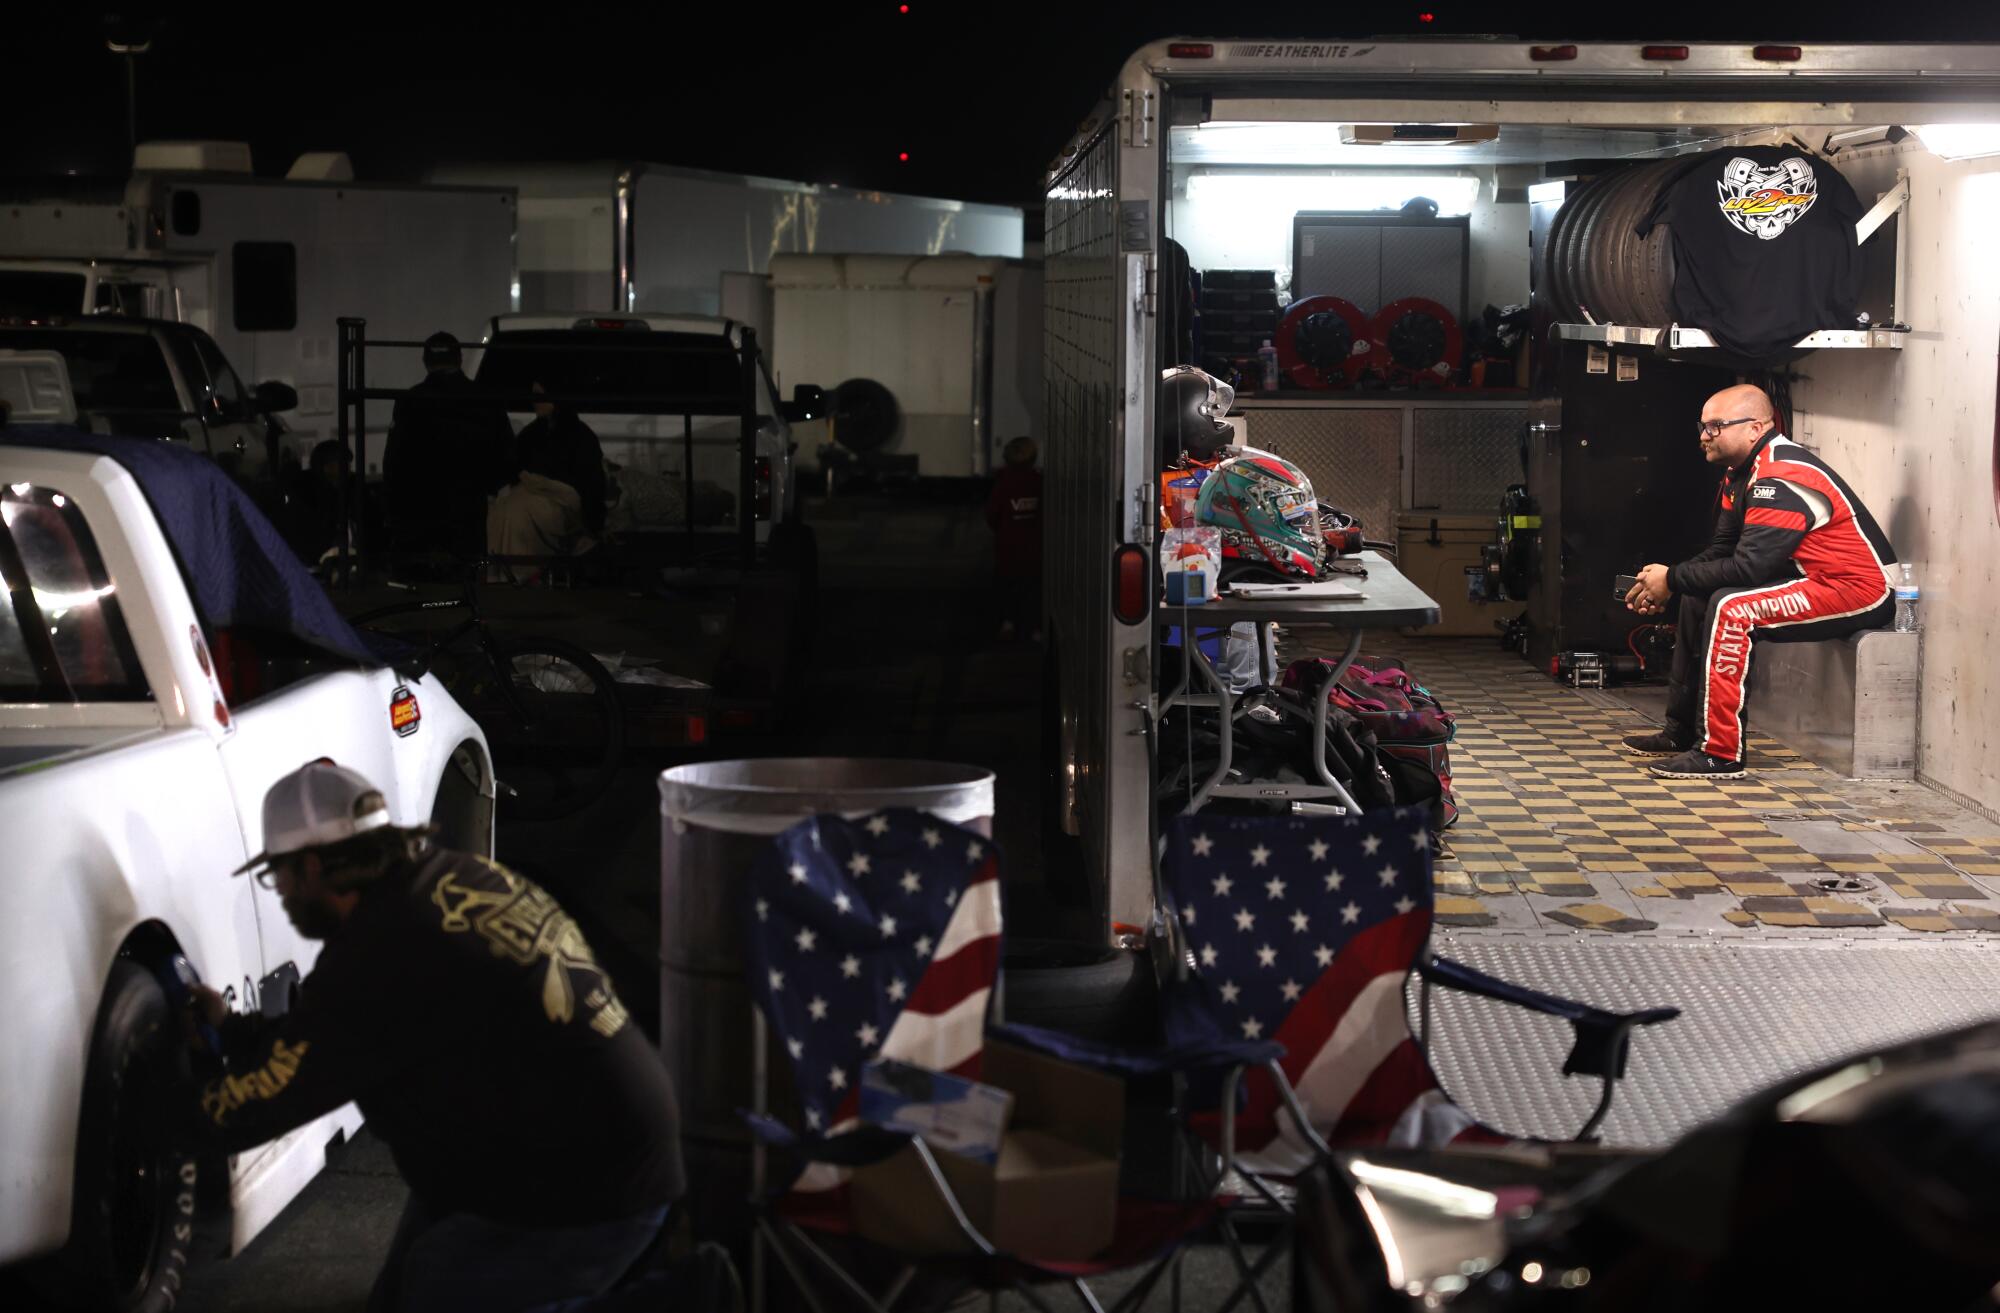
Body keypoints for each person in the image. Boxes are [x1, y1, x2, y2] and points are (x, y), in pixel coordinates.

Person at [168, 761, 690, 1312]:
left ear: (313, 867)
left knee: (437, 1290)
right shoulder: (453, 881)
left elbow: (271, 1097)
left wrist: (153, 1121)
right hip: (604, 1145)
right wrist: (231, 1029)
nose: (283, 897)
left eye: (279, 876)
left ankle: (687, 1298)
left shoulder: (380, 953)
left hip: (592, 1190)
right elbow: (328, 1041)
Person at [1621, 384, 1896, 779]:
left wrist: (1674, 578)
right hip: (1814, 578)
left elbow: (1749, 570)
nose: (1703, 435)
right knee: (1702, 598)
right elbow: (1721, 552)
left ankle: (1720, 754)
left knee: (1733, 608)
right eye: (1702, 426)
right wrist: (1666, 583)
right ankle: (1680, 732)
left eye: (1715, 426)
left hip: (1858, 590)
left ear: (1754, 428)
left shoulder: (1779, 475)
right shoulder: (1742, 472)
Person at [381, 331, 513, 564]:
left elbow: (394, 462)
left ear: (425, 361)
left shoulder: (410, 401)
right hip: (470, 509)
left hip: (421, 510)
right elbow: (505, 453)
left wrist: (395, 511)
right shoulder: (484, 398)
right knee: (467, 574)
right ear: (459, 358)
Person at [986, 434, 1042, 641]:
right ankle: (1033, 627)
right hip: (1034, 550)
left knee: (1006, 586)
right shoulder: (1039, 483)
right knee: (1032, 588)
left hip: (1007, 549)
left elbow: (992, 514)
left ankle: (1007, 623)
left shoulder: (1004, 484)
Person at [284, 438, 353, 568]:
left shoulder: (345, 490)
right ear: (326, 466)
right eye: (342, 463)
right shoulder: (309, 493)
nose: (348, 469)